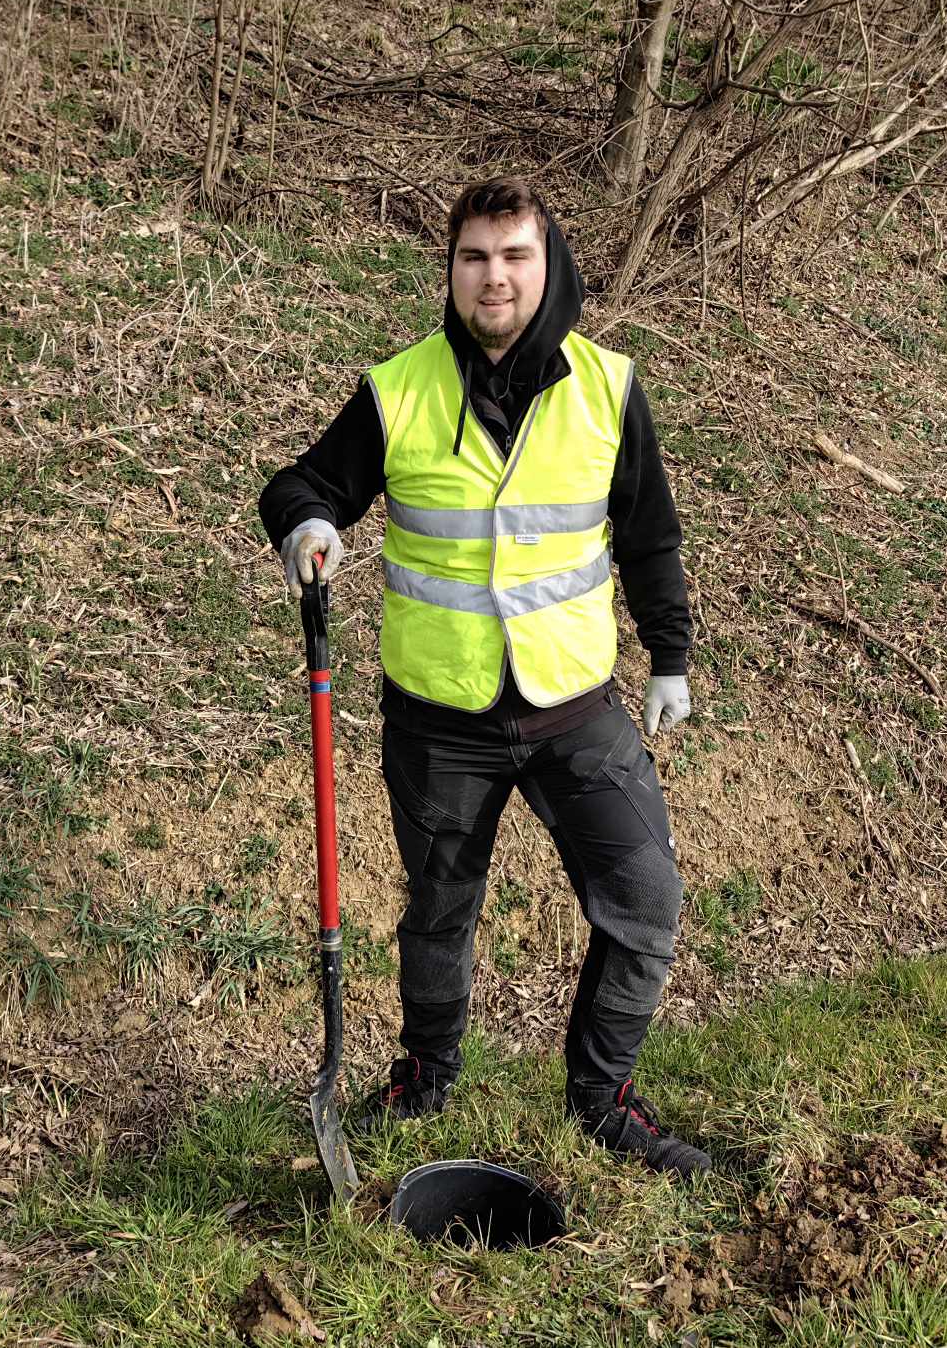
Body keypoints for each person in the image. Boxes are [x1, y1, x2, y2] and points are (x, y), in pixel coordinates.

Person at [259, 177, 708, 1178]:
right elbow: (302, 480)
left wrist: (668, 653)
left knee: (644, 902)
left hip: (574, 711)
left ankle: (602, 1100)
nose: (492, 277)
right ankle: (424, 1076)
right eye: (473, 258)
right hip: (440, 719)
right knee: (438, 910)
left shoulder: (608, 389)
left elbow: (648, 537)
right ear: (450, 271)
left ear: (548, 266)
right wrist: (309, 523)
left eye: (513, 256)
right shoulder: (397, 389)